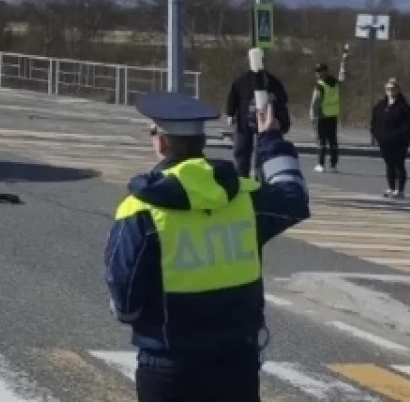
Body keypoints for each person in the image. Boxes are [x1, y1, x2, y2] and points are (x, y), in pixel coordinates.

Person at [105, 92, 310, 402]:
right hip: (236, 362)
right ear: (202, 143)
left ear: (160, 142)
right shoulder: (245, 198)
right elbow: (293, 198)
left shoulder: (139, 211)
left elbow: (125, 300)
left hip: (169, 364)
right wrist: (270, 139)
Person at [225, 48, 291, 179]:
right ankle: (242, 179)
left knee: (260, 155)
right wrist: (230, 113)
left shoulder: (271, 81)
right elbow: (233, 96)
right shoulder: (242, 81)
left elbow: (282, 99)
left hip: (264, 124)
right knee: (242, 153)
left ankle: (259, 180)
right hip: (244, 124)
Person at [370, 78, 409, 199]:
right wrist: (377, 135)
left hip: (399, 142)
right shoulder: (380, 106)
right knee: (389, 164)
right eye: (388, 89)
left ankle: (400, 190)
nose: (390, 91)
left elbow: (406, 126)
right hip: (384, 142)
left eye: (393, 89)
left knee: (399, 165)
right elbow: (374, 122)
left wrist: (398, 136)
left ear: (398, 90)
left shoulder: (403, 107)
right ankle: (391, 188)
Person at [309, 60, 345, 173]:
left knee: (321, 141)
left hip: (322, 115)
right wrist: (343, 65)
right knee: (332, 141)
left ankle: (321, 164)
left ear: (325, 72)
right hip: (332, 115)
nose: (318, 74)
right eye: (317, 71)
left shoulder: (320, 84)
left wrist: (312, 112)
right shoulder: (334, 82)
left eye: (320, 71)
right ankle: (333, 165)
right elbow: (341, 80)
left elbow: (315, 100)